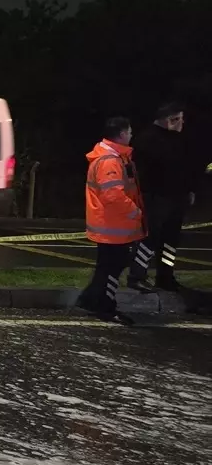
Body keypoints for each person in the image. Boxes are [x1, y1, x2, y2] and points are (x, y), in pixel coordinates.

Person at [77, 117, 145, 325]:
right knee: (112, 269)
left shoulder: (111, 157)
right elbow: (113, 195)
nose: (132, 135)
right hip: (113, 226)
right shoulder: (110, 161)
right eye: (130, 132)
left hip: (110, 225)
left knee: (106, 267)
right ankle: (105, 308)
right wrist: (135, 212)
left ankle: (90, 301)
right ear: (122, 134)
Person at [128, 103, 198, 292]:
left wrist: (189, 190)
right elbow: (144, 172)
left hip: (177, 198)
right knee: (148, 238)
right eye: (178, 119)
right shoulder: (147, 140)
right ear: (169, 120)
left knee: (171, 240)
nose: (182, 123)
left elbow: (184, 168)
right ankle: (137, 276)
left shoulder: (178, 140)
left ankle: (166, 276)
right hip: (155, 197)